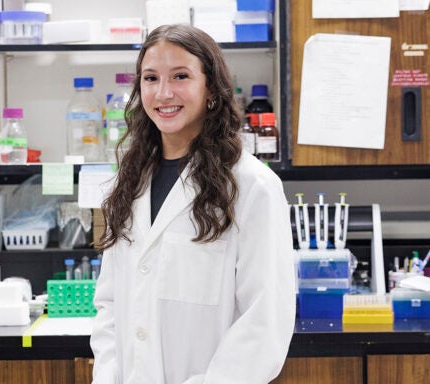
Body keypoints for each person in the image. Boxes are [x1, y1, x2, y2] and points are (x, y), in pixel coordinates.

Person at [91, 24, 295, 384]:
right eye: (151, 78)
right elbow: (109, 305)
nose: (163, 92)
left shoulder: (252, 186)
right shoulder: (130, 182)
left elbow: (264, 323)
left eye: (180, 76)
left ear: (212, 89)